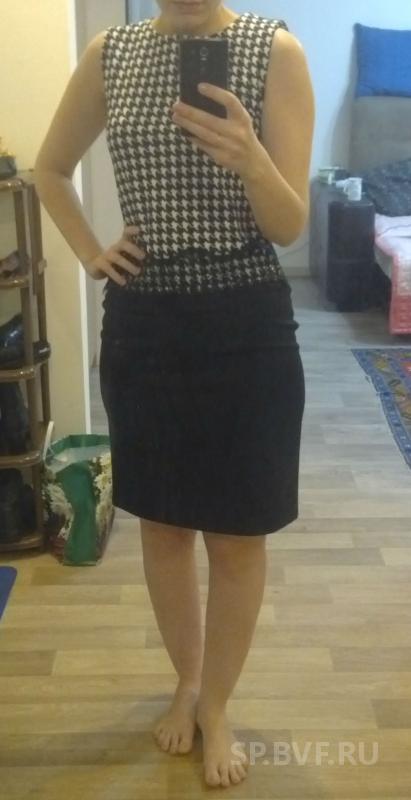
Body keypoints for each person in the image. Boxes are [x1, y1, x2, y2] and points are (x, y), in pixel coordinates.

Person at [33, 0, 315, 788]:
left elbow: (288, 225)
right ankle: (187, 682)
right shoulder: (110, 54)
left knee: (237, 534)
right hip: (146, 323)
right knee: (162, 527)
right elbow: (49, 169)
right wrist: (93, 252)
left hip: (246, 321)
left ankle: (217, 704)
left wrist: (250, 158)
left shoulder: (275, 51)